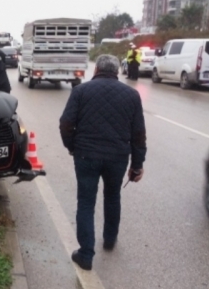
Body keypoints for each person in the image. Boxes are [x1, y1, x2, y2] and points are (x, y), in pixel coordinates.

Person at [59, 54, 147, 271]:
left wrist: (72, 146)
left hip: (86, 155)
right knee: (113, 196)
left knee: (86, 201)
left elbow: (66, 124)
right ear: (117, 70)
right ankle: (109, 239)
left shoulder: (81, 91)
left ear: (96, 69)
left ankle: (86, 254)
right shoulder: (132, 95)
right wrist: (137, 165)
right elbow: (138, 134)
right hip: (117, 157)